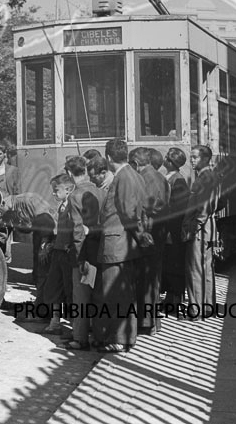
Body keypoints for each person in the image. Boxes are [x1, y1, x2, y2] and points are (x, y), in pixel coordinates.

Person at [92, 139, 148, 353]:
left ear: (107, 157)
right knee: (124, 294)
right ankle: (126, 336)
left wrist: (139, 234)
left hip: (117, 244)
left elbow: (128, 212)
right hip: (126, 244)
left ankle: (119, 338)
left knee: (115, 294)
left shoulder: (123, 177)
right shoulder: (134, 174)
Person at [63, 156, 104, 350]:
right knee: (97, 295)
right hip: (100, 249)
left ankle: (79, 338)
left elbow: (78, 230)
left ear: (70, 174)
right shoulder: (99, 190)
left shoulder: (75, 195)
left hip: (83, 251)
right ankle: (97, 335)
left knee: (81, 296)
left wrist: (79, 256)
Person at [129, 147, 169, 335]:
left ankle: (146, 322)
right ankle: (153, 322)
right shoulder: (160, 176)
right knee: (153, 277)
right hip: (158, 231)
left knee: (144, 277)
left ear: (136, 163)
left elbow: (146, 206)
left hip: (148, 232)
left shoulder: (144, 177)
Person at [182, 145, 220, 319]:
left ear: (205, 159)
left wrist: (194, 227)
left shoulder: (204, 178)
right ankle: (208, 306)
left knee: (196, 270)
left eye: (195, 157)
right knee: (207, 269)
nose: (192, 160)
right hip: (208, 228)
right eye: (191, 157)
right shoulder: (212, 176)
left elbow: (203, 209)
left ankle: (196, 309)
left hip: (200, 230)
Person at [0, 193, 57, 294]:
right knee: (37, 252)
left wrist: (45, 245)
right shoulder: (12, 206)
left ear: (4, 204)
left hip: (48, 228)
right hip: (38, 226)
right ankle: (38, 279)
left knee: (43, 256)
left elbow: (47, 222)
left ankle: (44, 284)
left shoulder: (30, 201)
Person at [42, 173, 77, 335]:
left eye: (56, 190)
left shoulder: (72, 205)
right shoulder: (62, 205)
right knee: (54, 287)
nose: (53, 193)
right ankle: (55, 322)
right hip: (58, 252)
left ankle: (75, 327)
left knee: (70, 290)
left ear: (68, 190)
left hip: (68, 253)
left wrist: (70, 246)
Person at [162, 147, 190, 308]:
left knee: (175, 263)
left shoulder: (177, 180)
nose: (164, 160)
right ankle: (170, 297)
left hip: (173, 229)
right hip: (169, 228)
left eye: (167, 158)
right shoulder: (170, 177)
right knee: (169, 264)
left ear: (171, 162)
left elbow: (178, 209)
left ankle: (176, 298)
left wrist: (171, 230)